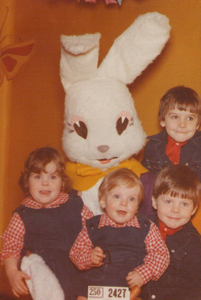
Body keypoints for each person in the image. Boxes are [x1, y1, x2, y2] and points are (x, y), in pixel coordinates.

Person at [0, 147, 93, 300]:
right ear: (27, 181)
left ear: (62, 182)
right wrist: (12, 273)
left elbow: (93, 231)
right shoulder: (23, 214)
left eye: (52, 177)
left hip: (76, 264)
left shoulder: (76, 205)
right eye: (37, 177)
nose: (45, 183)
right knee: (35, 268)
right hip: (45, 269)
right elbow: (11, 248)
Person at [69, 168, 170, 300]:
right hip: (95, 287)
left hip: (129, 287)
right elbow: (75, 252)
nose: (124, 203)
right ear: (103, 201)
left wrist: (144, 273)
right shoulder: (93, 226)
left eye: (131, 199)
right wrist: (89, 257)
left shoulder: (146, 227)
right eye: (117, 196)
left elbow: (161, 254)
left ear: (138, 206)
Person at [142, 164, 201, 300]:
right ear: (154, 202)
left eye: (184, 204)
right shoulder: (138, 226)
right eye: (168, 201)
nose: (176, 210)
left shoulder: (194, 244)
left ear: (194, 209)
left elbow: (193, 290)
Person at [141, 85, 201, 180]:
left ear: (197, 124)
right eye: (175, 117)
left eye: (190, 118)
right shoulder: (152, 146)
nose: (182, 124)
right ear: (163, 120)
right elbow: (146, 180)